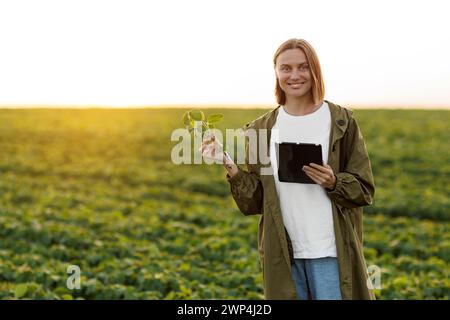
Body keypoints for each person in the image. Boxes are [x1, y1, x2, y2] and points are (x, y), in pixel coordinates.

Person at [216, 38, 376, 300]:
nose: (294, 75)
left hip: (330, 252)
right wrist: (232, 169)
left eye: (303, 67)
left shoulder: (341, 122)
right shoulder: (260, 129)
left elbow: (364, 190)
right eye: (285, 68)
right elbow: (256, 202)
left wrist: (333, 182)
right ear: (276, 72)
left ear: (315, 71)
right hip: (284, 255)